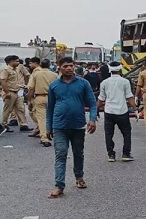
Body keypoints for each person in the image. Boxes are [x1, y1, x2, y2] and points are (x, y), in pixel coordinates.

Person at [46, 57, 98, 198]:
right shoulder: (54, 85)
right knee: (61, 154)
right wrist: (48, 126)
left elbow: (92, 104)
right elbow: (50, 107)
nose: (69, 68)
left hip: (78, 125)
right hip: (59, 126)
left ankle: (79, 177)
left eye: (71, 65)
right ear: (59, 68)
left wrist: (92, 119)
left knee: (78, 153)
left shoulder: (83, 83)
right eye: (66, 66)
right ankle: (59, 186)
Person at [98, 61, 136, 162]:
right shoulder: (125, 82)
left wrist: (96, 111)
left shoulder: (104, 83)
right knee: (126, 133)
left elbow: (101, 99)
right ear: (120, 69)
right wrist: (136, 109)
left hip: (109, 111)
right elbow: (129, 97)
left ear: (110, 70)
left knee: (109, 134)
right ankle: (126, 154)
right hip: (122, 111)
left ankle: (111, 155)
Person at [27, 58, 58, 147]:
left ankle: (44, 138)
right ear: (49, 65)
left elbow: (31, 88)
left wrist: (29, 100)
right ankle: (51, 133)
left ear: (40, 65)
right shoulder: (55, 75)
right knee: (51, 117)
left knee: (42, 118)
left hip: (40, 97)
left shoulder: (36, 74)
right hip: (52, 98)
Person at [1, 55, 32, 134]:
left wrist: (24, 85)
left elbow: (25, 77)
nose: (18, 63)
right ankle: (3, 125)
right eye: (16, 61)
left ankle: (23, 125)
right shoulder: (6, 70)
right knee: (7, 110)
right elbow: (3, 81)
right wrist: (7, 92)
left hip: (18, 91)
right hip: (10, 92)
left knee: (20, 108)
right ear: (11, 62)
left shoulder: (17, 69)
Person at [25, 57, 41, 138]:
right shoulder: (41, 71)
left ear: (35, 63)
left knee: (34, 113)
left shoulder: (36, 72)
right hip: (39, 95)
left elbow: (32, 87)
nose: (29, 65)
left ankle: (40, 129)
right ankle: (39, 129)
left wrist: (28, 97)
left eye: (31, 63)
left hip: (35, 95)